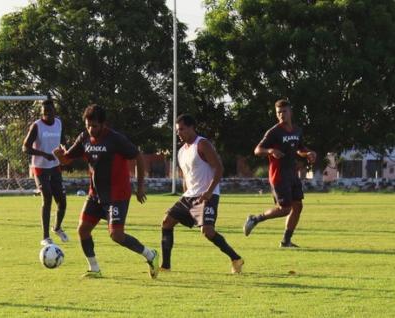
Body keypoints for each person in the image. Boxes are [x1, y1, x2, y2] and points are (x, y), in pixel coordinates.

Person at [54, 104, 159, 279]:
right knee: (82, 230)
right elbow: (66, 160)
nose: (90, 129)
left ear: (103, 124)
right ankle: (94, 269)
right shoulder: (84, 138)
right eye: (87, 125)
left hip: (117, 195)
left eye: (94, 125)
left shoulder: (115, 139)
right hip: (95, 195)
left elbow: (138, 156)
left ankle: (150, 255)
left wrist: (140, 187)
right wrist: (59, 155)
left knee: (116, 235)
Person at [160, 114, 244, 273]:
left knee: (207, 231)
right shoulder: (180, 152)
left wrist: (209, 191)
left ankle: (236, 259)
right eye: (177, 131)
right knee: (167, 222)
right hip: (189, 197)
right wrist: (185, 195)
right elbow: (186, 176)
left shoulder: (202, 144)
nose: (179, 133)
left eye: (182, 129)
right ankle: (165, 266)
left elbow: (219, 168)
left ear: (192, 128)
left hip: (207, 195)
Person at [243, 99, 316, 247]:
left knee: (298, 206)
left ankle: (286, 241)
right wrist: (270, 150)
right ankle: (255, 219)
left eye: (284, 111)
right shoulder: (274, 132)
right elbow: (257, 150)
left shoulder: (297, 130)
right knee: (285, 209)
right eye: (278, 113)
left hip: (292, 174)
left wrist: (308, 153)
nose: (281, 115)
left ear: (290, 112)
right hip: (279, 175)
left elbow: (299, 148)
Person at [22, 99, 68, 246]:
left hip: (55, 166)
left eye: (49, 111)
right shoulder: (36, 126)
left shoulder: (59, 123)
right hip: (40, 167)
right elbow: (25, 147)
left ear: (54, 111)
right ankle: (45, 237)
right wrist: (43, 154)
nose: (47, 114)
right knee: (47, 196)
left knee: (62, 201)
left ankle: (57, 228)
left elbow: (63, 140)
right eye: (44, 113)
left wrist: (64, 150)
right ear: (41, 113)